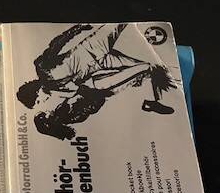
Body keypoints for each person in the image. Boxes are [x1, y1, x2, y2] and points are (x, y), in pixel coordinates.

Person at [16, 23, 176, 141]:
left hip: (93, 47)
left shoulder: (42, 68)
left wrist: (77, 29)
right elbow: (86, 92)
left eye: (38, 101)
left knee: (121, 23)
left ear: (35, 91)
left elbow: (57, 44)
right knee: (149, 68)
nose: (42, 103)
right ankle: (156, 100)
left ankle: (155, 96)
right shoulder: (57, 91)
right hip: (103, 63)